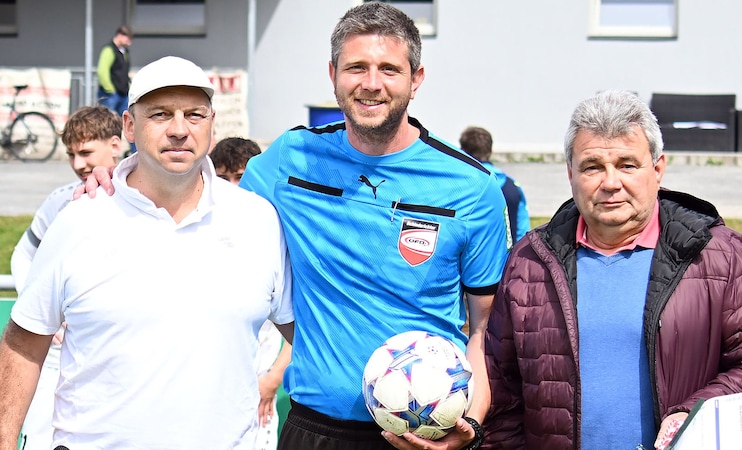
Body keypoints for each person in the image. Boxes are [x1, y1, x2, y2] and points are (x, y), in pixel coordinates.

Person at [238, 3, 510, 449]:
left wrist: (474, 424)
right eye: (356, 67)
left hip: (428, 434)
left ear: (416, 79)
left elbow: (486, 328)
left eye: (389, 68)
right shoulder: (290, 160)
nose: (371, 83)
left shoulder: (471, 188)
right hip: (315, 429)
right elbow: (206, 202)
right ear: (332, 74)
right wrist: (112, 179)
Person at [0, 56, 294, 449]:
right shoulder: (79, 221)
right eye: (160, 114)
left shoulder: (258, 221)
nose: (179, 130)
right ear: (129, 126)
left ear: (211, 124)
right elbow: (23, 343)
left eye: (194, 115)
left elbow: (308, 337)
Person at [482, 90, 742, 449]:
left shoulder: (718, 255)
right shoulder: (530, 262)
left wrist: (696, 414)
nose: (611, 183)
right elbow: (502, 393)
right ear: (571, 173)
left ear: (658, 169)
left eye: (627, 165)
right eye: (592, 167)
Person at [9, 105, 123, 450]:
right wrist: (46, 314)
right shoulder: (60, 202)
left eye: (86, 152)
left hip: (117, 356)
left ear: (116, 144)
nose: (78, 164)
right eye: (71, 154)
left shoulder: (149, 198)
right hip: (60, 356)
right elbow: (22, 255)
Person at [209, 135, 290, 450]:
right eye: (222, 178)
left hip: (258, 390)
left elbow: (300, 324)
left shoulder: (275, 231)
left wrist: (271, 381)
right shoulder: (197, 229)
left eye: (240, 176)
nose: (232, 186)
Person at [459, 126, 531, 243]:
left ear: (462, 151)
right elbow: (523, 232)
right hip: (506, 259)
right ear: (491, 151)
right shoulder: (512, 186)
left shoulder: (459, 185)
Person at [96, 25, 132, 119]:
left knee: (125, 120)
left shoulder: (125, 52)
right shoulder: (109, 50)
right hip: (110, 94)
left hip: (123, 93)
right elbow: (102, 71)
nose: (129, 43)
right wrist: (110, 89)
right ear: (120, 35)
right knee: (106, 120)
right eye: (127, 39)